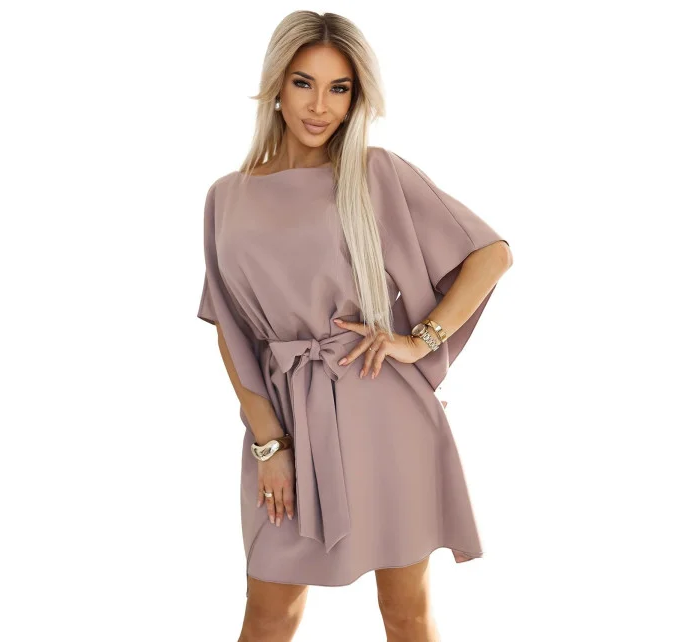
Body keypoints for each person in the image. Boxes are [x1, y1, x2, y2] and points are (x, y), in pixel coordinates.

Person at [197, 10, 513, 642]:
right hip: (287, 416)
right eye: (304, 83)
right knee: (269, 615)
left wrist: (418, 340)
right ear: (277, 86)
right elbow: (229, 326)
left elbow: (491, 255)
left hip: (383, 413)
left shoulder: (373, 173)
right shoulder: (226, 196)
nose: (320, 106)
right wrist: (270, 445)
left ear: (355, 98)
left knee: (405, 613)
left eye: (338, 88)